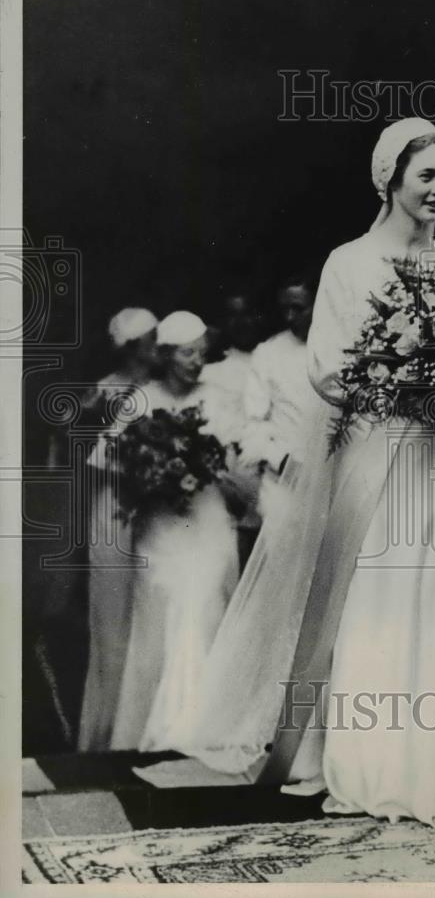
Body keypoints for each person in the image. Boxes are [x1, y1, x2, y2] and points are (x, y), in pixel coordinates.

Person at [135, 119, 435, 829]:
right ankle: (362, 769)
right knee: (375, 606)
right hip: (373, 456)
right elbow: (326, 367)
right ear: (390, 178)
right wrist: (400, 379)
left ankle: (423, 774)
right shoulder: (349, 263)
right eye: (427, 176)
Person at [110, 311, 248, 751]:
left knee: (204, 603)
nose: (195, 362)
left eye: (201, 354)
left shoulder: (221, 399)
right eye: (187, 353)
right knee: (163, 616)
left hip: (206, 520)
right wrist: (152, 477)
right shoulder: (140, 401)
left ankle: (198, 726)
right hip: (161, 526)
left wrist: (209, 472)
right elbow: (112, 465)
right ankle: (163, 725)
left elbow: (238, 464)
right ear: (167, 355)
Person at [78, 307, 158, 751]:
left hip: (154, 507)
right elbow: (95, 459)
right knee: (114, 611)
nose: (156, 348)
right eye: (149, 340)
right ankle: (110, 729)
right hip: (116, 505)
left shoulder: (161, 389)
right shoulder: (106, 392)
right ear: (132, 346)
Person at [240, 273, 316, 524]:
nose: (290, 318)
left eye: (299, 308)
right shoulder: (268, 354)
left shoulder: (339, 349)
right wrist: (280, 459)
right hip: (283, 479)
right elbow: (254, 423)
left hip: (328, 476)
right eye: (285, 309)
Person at [202, 288, 266, 567]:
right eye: (233, 315)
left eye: (248, 314)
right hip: (234, 484)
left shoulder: (273, 359)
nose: (242, 323)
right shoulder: (210, 373)